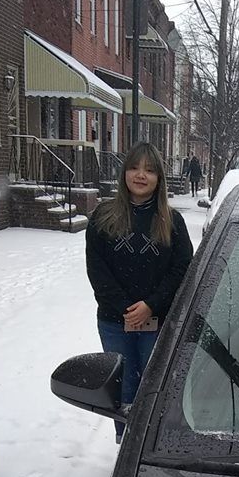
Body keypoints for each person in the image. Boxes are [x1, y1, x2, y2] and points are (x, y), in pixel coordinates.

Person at [86, 141, 194, 442]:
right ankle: (127, 447)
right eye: (134, 167)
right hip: (113, 321)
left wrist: (151, 305)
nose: (140, 175)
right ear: (124, 174)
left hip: (158, 321)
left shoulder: (172, 221)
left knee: (155, 386)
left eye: (149, 170)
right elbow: (97, 270)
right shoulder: (103, 216)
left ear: (159, 177)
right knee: (123, 388)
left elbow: (182, 268)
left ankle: (153, 446)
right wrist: (126, 309)